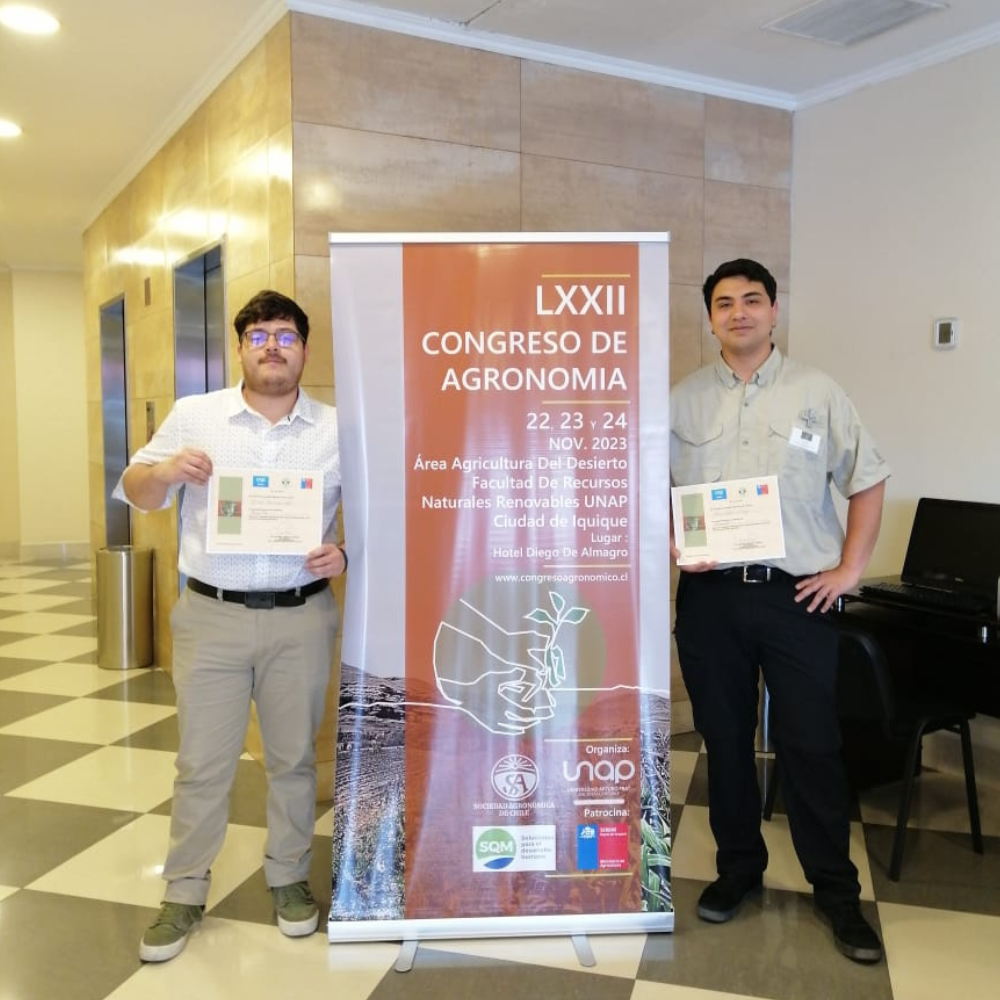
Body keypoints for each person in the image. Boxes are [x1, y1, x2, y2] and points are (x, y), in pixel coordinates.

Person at [114, 289, 347, 963]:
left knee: (294, 760)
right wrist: (162, 470)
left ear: (304, 349)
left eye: (286, 335)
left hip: (301, 616)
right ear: (241, 346)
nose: (273, 346)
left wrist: (345, 553)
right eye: (259, 335)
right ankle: (183, 891)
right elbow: (135, 489)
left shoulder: (335, 428)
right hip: (211, 615)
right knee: (202, 763)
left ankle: (289, 880)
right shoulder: (196, 416)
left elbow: (370, 513)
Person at [670, 259, 889, 963]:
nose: (739, 312)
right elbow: (651, 489)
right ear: (709, 318)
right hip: (710, 600)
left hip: (797, 595)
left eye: (752, 300)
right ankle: (739, 870)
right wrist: (677, 543)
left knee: (811, 745)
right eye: (725, 303)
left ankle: (835, 891)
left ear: (773, 311)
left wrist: (850, 569)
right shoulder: (682, 400)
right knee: (725, 739)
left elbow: (868, 478)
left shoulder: (816, 393)